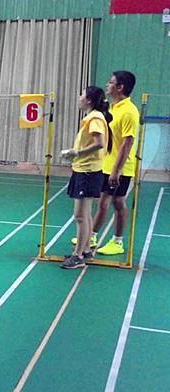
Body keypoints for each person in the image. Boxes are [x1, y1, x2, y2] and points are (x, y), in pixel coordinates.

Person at [77, 71, 140, 256]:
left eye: (111, 82)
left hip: (120, 167)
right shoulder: (112, 108)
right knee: (103, 202)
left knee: (117, 202)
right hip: (105, 164)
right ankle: (92, 236)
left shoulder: (129, 111)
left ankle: (117, 241)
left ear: (120, 87)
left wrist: (116, 171)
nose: (107, 85)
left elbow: (127, 143)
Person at [60, 86, 111, 269]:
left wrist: (77, 153)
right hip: (86, 170)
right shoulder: (93, 117)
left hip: (88, 172)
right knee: (86, 215)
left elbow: (99, 143)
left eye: (82, 94)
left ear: (89, 100)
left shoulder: (95, 118)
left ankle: (78, 256)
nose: (79, 97)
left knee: (80, 216)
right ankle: (87, 250)